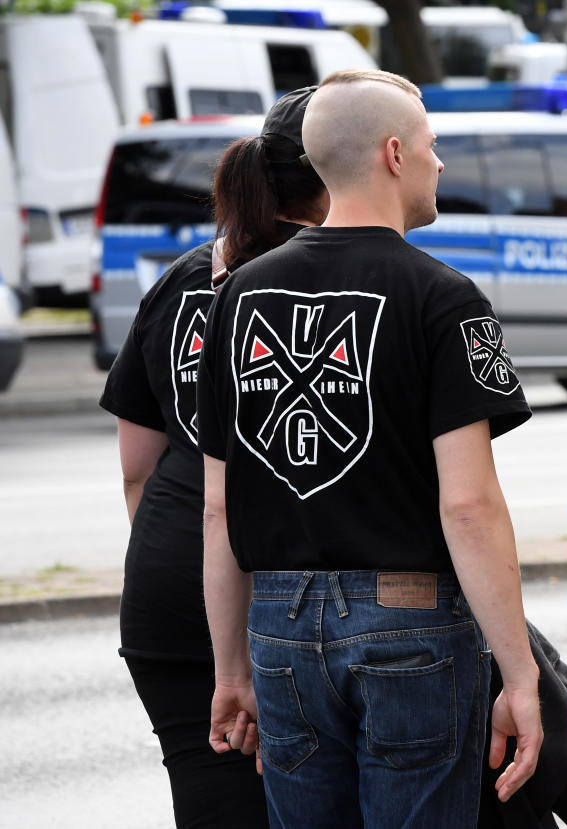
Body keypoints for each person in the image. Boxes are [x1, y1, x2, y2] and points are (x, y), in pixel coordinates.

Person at [196, 69, 543, 827]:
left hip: (279, 624)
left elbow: (219, 505)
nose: (439, 162)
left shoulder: (238, 296)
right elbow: (469, 503)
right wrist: (521, 675)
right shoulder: (443, 297)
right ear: (394, 153)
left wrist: (229, 665)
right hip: (411, 621)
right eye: (431, 145)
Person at [98, 85, 325, 828]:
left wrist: (182, 557)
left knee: (208, 790)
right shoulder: (334, 279)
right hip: (289, 595)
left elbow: (137, 463)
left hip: (166, 577)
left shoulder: (185, 276)